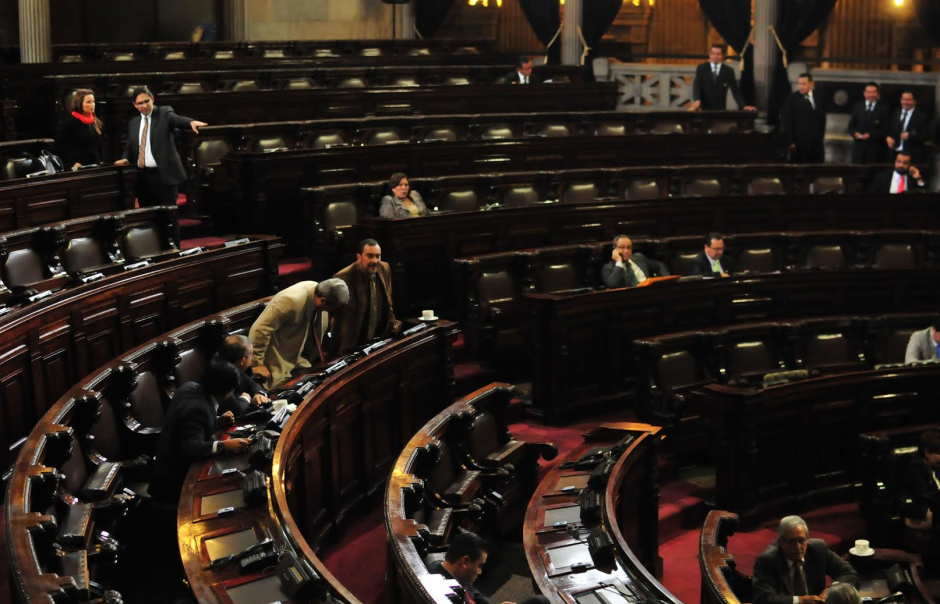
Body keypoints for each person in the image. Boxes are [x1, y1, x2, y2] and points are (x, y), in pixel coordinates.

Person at [148, 359, 251, 503]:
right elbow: (191, 447)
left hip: (166, 470)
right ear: (228, 392)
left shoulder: (190, 387)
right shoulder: (198, 409)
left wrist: (217, 420)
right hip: (175, 483)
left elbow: (187, 425)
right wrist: (224, 445)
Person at [114, 85, 207, 207]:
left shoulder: (164, 113)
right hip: (143, 179)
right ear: (134, 105)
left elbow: (176, 119)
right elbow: (129, 146)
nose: (144, 105)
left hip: (164, 176)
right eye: (140, 103)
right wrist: (125, 157)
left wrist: (190, 122)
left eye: (147, 101)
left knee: (168, 217)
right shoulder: (133, 123)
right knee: (148, 218)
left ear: (152, 99)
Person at [249, 279, 350, 389]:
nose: (333, 312)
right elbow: (260, 329)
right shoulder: (291, 301)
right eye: (333, 309)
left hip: (297, 357)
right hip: (277, 360)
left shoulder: (317, 291)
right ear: (323, 301)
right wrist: (257, 363)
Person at [753, 515, 858, 604]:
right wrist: (800, 600)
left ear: (808, 538)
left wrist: (831, 590)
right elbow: (763, 599)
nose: (798, 547)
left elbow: (848, 572)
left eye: (801, 540)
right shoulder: (767, 560)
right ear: (781, 542)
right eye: (792, 542)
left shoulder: (818, 549)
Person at [427, 531, 550, 604]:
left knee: (539, 601)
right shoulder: (444, 595)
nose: (480, 571)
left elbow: (473, 593)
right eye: (479, 566)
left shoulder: (445, 568)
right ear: (465, 561)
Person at [331, 239, 402, 355]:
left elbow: (388, 300)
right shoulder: (343, 277)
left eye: (378, 256)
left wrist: (391, 319)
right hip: (353, 343)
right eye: (369, 256)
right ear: (359, 257)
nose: (375, 261)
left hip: (380, 340)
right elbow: (336, 318)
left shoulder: (385, 268)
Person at [213, 334, 270, 416]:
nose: (252, 358)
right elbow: (235, 410)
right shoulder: (221, 375)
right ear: (242, 360)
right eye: (251, 355)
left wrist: (258, 394)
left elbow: (252, 384)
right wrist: (245, 398)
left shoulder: (233, 366)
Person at [689, 45, 756, 112]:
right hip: (703, 109)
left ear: (722, 56)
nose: (715, 56)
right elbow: (696, 85)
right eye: (713, 53)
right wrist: (697, 100)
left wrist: (744, 106)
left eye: (718, 54)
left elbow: (735, 90)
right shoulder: (702, 68)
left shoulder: (728, 71)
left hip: (720, 110)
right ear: (709, 55)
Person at [780, 73, 827, 163]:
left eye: (803, 84)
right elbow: (787, 121)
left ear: (811, 84)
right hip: (799, 144)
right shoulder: (792, 99)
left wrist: (820, 138)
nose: (801, 87)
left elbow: (822, 119)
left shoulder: (819, 97)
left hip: (816, 144)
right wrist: (790, 141)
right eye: (799, 84)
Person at [53, 88, 105, 169]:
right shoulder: (71, 122)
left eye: (93, 102)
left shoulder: (94, 121)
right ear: (79, 104)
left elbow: (97, 144)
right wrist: (72, 163)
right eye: (88, 102)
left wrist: (101, 160)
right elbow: (59, 147)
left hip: (95, 165)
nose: (92, 105)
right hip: (80, 167)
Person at [901, 431, 940, 536]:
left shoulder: (936, 467)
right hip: (919, 512)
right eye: (938, 453)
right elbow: (923, 496)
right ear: (927, 452)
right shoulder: (914, 468)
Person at [600, 235, 670, 289]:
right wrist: (619, 262)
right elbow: (613, 285)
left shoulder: (639, 258)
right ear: (614, 250)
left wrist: (668, 280)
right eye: (622, 247)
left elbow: (659, 265)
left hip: (649, 293)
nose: (626, 251)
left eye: (629, 247)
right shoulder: (608, 268)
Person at [847, 82, 889, 164]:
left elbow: (885, 129)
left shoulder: (884, 108)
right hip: (858, 149)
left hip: (875, 149)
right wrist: (855, 133)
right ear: (864, 93)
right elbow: (851, 126)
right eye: (868, 92)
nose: (871, 95)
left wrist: (870, 135)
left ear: (877, 93)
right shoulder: (858, 106)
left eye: (873, 92)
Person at [886, 90, 929, 166]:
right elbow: (890, 129)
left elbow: (926, 135)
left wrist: (910, 136)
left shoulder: (921, 116)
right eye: (903, 99)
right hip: (895, 153)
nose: (905, 102)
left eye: (908, 100)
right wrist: (888, 138)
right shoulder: (896, 113)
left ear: (915, 101)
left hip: (912, 154)